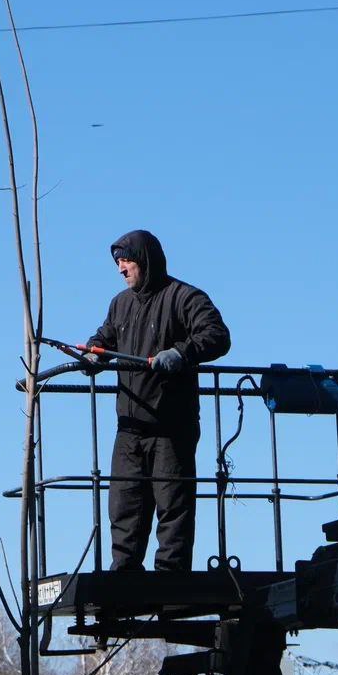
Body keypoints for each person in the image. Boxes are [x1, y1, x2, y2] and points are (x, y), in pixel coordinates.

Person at [86, 229, 230, 571]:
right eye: (117, 263)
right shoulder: (120, 304)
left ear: (145, 260)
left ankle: (171, 581)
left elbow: (217, 336)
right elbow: (104, 337)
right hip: (129, 428)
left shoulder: (185, 297)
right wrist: (94, 352)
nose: (121, 269)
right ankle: (123, 579)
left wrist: (181, 353)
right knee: (124, 509)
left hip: (171, 427)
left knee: (173, 509)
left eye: (126, 261)